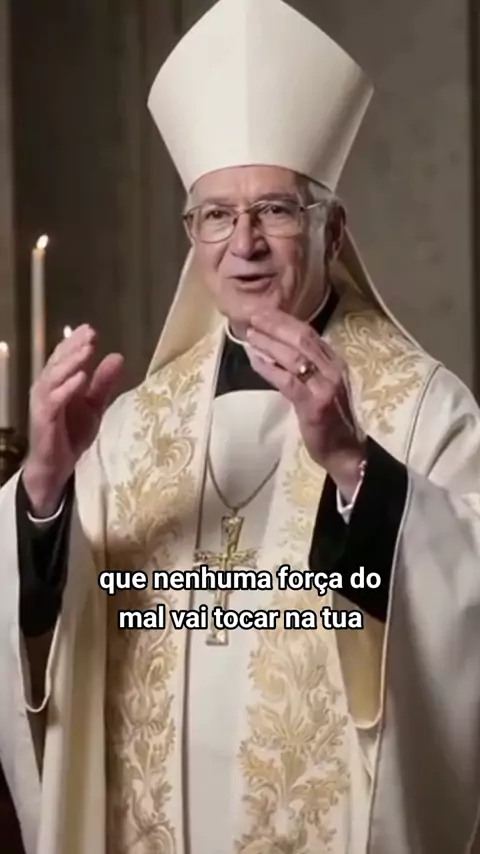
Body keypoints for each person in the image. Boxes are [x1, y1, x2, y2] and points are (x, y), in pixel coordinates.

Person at [2, 0, 480, 852]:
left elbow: (465, 611)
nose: (244, 243)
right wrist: (42, 489)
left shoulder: (422, 409)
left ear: (333, 229)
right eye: (216, 215)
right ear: (193, 235)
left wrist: (356, 471)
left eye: (277, 211)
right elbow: (43, 636)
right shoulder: (132, 428)